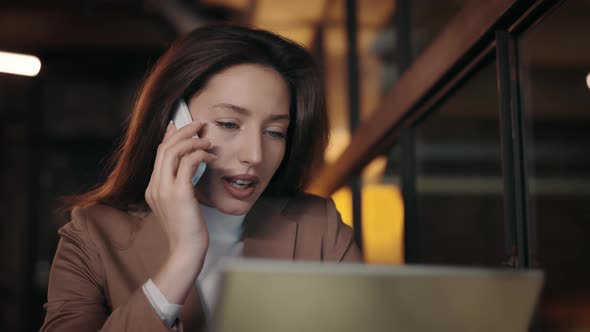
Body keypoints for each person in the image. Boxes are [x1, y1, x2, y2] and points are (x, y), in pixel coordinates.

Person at [40, 24, 361, 332]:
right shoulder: (92, 236)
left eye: (275, 132)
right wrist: (184, 257)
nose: (256, 155)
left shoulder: (319, 228)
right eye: (229, 124)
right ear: (174, 123)